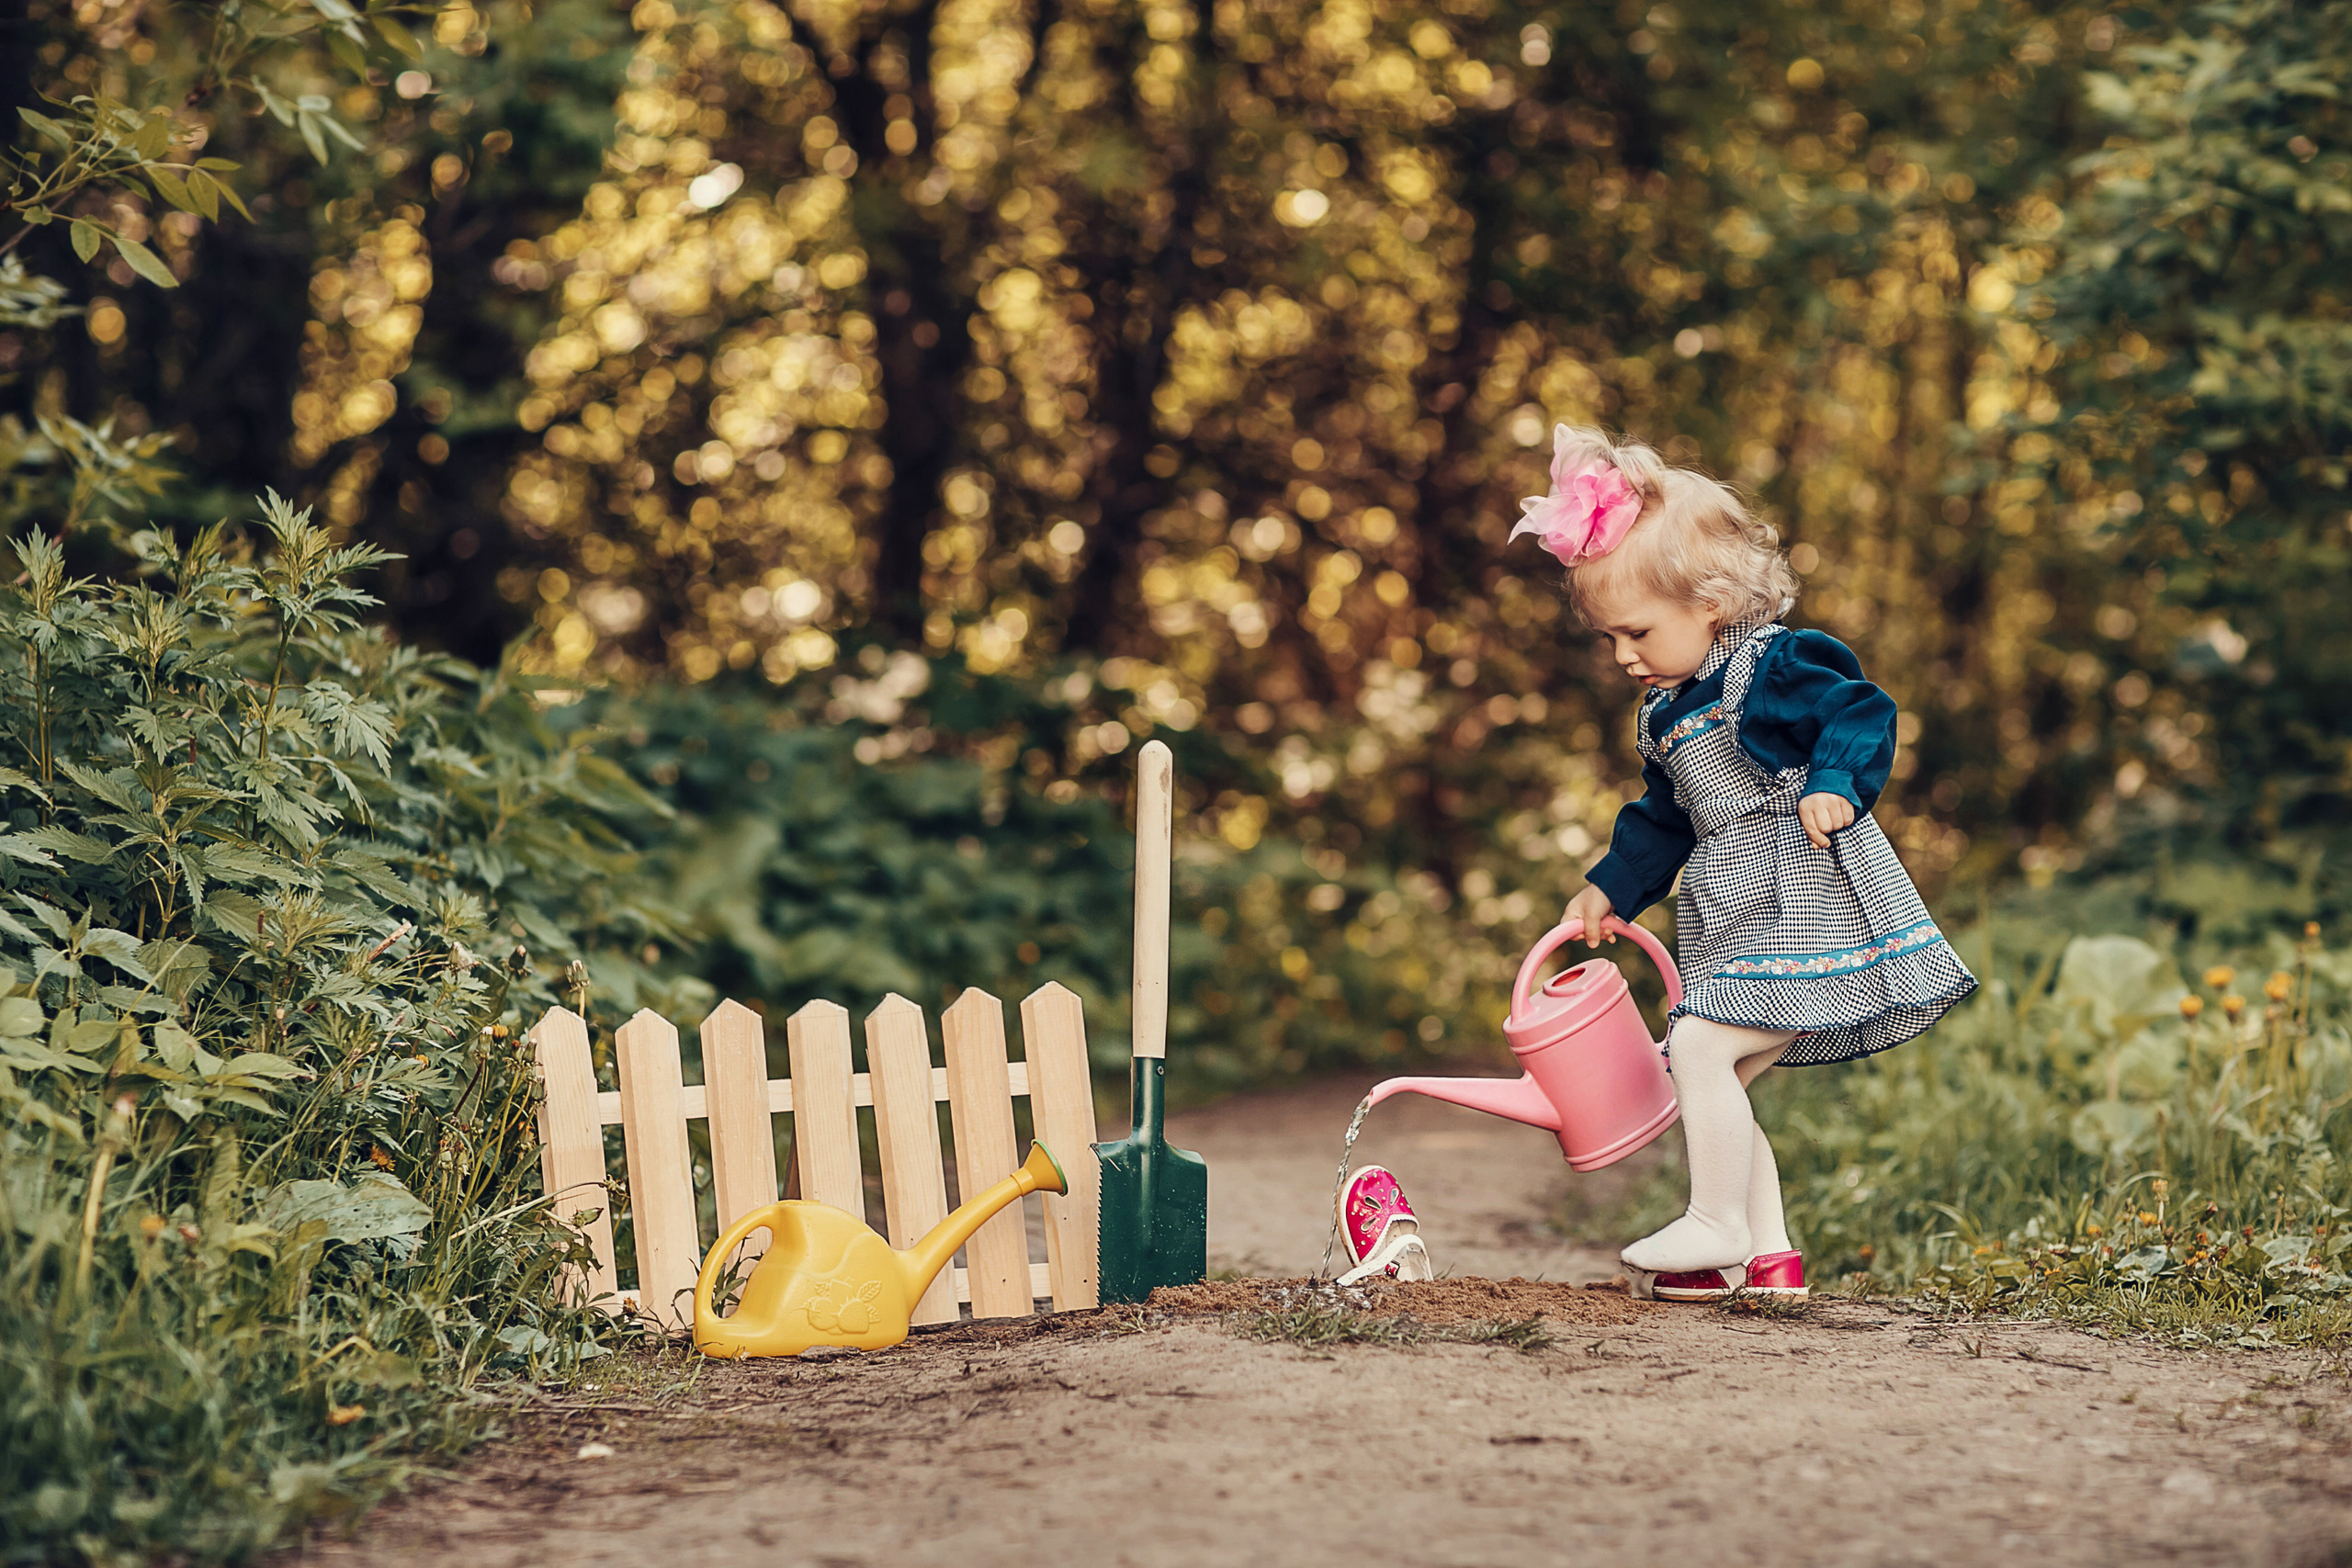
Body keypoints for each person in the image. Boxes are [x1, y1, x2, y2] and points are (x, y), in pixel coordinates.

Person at [1529, 425, 1976, 1301]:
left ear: (1711, 601)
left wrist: (1837, 783)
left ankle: (1718, 1223)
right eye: (1610, 637)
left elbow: (1863, 709)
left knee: (1697, 1047)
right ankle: (1762, 1255)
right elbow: (1665, 819)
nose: (1624, 655)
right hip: (1734, 906)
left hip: (1806, 891)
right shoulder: (1666, 714)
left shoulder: (1771, 668)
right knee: (1716, 1071)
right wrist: (1611, 885)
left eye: (1638, 632)